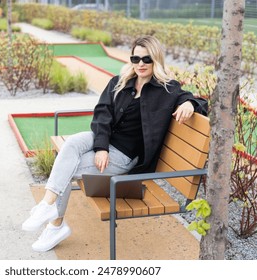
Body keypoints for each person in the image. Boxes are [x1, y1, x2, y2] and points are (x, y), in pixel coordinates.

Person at [21, 35, 208, 252]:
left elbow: (201, 102)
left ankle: (55, 224)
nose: (140, 64)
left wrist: (189, 103)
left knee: (68, 167)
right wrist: (101, 147)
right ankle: (48, 206)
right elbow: (102, 114)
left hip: (123, 156)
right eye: (135, 58)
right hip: (104, 140)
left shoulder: (167, 90)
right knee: (71, 145)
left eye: (146, 59)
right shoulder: (120, 81)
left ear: (155, 60)